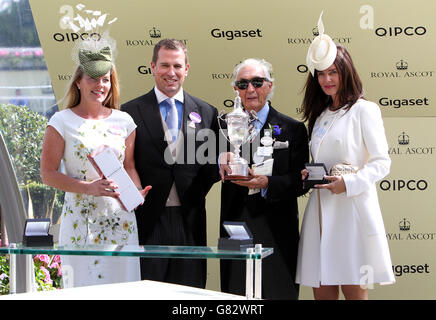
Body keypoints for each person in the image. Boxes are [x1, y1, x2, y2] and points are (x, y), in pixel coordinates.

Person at [296, 12, 395, 300]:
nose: (327, 80)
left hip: (351, 212)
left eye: (333, 72)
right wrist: (308, 173)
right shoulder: (320, 115)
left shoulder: (365, 110)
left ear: (345, 72)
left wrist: (348, 184)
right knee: (322, 290)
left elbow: (381, 162)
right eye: (321, 73)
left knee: (354, 289)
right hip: (319, 212)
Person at [40, 41, 150, 288]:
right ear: (78, 81)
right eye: (93, 78)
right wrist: (88, 187)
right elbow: (47, 174)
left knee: (123, 289)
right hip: (81, 224)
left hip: (120, 222)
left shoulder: (124, 121)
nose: (100, 85)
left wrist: (135, 193)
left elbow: (129, 167)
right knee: (83, 288)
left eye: (105, 79)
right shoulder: (61, 121)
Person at [121, 38, 219, 288]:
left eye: (177, 66)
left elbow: (212, 167)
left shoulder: (208, 112)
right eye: (164, 65)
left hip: (190, 220)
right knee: (147, 289)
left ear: (187, 68)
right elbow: (125, 163)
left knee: (190, 291)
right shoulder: (129, 112)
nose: (171, 72)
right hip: (148, 220)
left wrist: (193, 192)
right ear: (152, 66)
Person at [219, 58, 309, 299]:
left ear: (269, 86)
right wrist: (219, 158)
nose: (250, 89)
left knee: (279, 291)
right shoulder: (220, 127)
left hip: (277, 229)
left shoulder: (293, 129)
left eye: (257, 82)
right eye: (243, 83)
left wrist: (267, 183)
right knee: (235, 298)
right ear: (235, 89)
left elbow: (301, 181)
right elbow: (204, 169)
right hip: (236, 227)